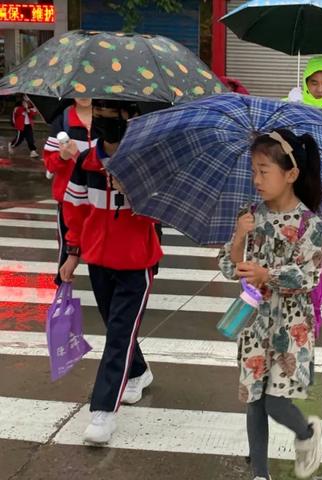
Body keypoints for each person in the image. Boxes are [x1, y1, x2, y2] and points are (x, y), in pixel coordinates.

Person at [218, 129, 322, 480]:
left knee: (276, 402)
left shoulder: (310, 224)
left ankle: (307, 433)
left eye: (264, 171)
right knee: (254, 400)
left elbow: (307, 278)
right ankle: (260, 474)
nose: (257, 179)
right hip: (254, 324)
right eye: (254, 171)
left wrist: (267, 274)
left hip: (290, 330)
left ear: (290, 174)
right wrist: (239, 237)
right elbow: (227, 266)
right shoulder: (250, 215)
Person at [59, 99, 162, 444]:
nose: (103, 119)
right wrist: (72, 254)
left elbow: (158, 216)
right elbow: (74, 209)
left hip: (136, 264)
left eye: (113, 113)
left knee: (118, 335)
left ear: (131, 118)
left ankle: (102, 412)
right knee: (117, 326)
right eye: (98, 112)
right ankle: (139, 372)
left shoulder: (145, 161)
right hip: (98, 261)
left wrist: (133, 190)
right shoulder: (86, 161)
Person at [43, 98, 95, 286]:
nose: (83, 93)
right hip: (68, 198)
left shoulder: (107, 119)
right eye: (78, 87)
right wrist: (62, 156)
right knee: (67, 245)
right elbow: (49, 163)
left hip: (99, 197)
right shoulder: (63, 120)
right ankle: (62, 285)